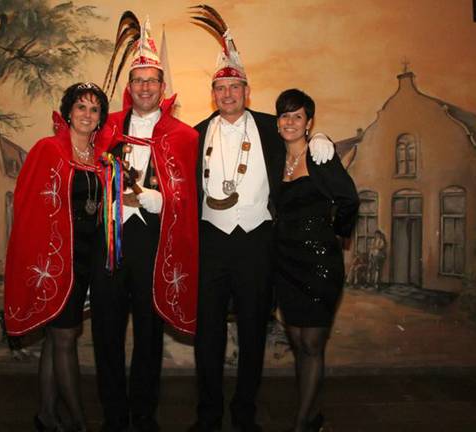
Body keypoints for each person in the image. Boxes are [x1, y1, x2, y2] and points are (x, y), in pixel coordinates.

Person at [188, 6, 335, 432]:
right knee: (208, 336)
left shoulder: (274, 128)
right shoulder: (195, 134)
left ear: (247, 91)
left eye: (235, 86)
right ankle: (208, 414)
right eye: (221, 88)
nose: (228, 94)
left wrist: (318, 136)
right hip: (211, 242)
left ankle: (244, 413)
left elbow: (300, 130)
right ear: (213, 94)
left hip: (257, 242)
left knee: (253, 333)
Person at [91, 15, 199, 432]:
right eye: (139, 81)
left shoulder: (183, 136)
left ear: (162, 86)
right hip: (109, 240)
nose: (146, 87)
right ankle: (114, 416)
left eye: (153, 80)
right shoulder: (107, 129)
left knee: (149, 337)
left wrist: (162, 199)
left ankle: (144, 414)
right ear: (129, 87)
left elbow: (192, 196)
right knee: (106, 332)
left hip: (154, 244)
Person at [4, 82, 114, 432]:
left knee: (56, 337)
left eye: (94, 109)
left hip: (87, 261)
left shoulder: (101, 157)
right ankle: (79, 421)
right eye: (80, 107)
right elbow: (28, 206)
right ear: (67, 113)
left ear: (100, 119)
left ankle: (47, 414)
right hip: (56, 262)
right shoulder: (47, 150)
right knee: (66, 337)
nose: (86, 114)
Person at [274, 89, 359, 432]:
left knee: (312, 342)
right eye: (284, 115)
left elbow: (349, 199)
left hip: (319, 262)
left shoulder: (320, 156)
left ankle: (301, 423)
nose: (290, 122)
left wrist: (334, 233)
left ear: (309, 123)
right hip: (285, 262)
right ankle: (312, 414)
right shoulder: (274, 156)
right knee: (297, 340)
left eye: (298, 116)